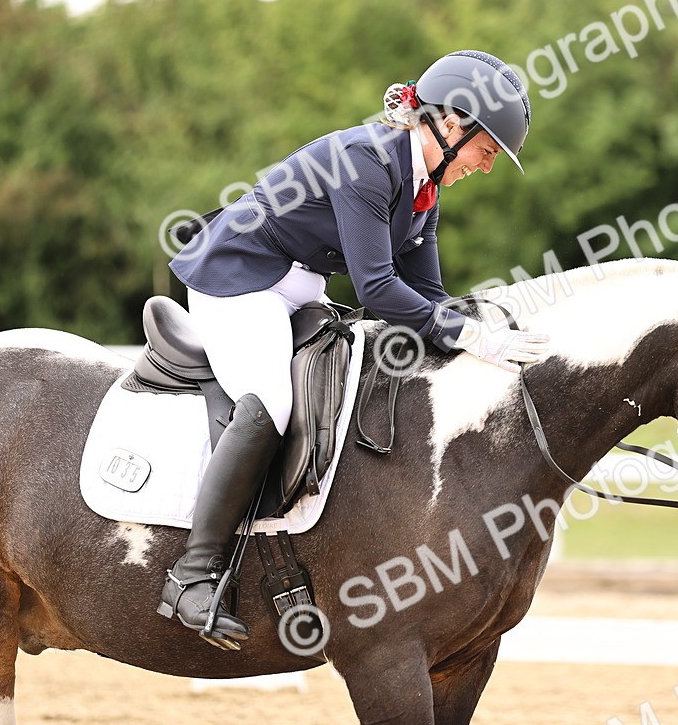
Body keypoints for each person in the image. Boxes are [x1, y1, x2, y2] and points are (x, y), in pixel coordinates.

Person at [158, 50, 550, 646]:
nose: (488, 166)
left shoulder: (422, 188)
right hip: (239, 280)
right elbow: (377, 288)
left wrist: (485, 324)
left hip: (295, 287)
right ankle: (192, 577)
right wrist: (469, 335)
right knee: (270, 405)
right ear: (450, 123)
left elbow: (426, 293)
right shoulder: (364, 161)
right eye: (487, 149)